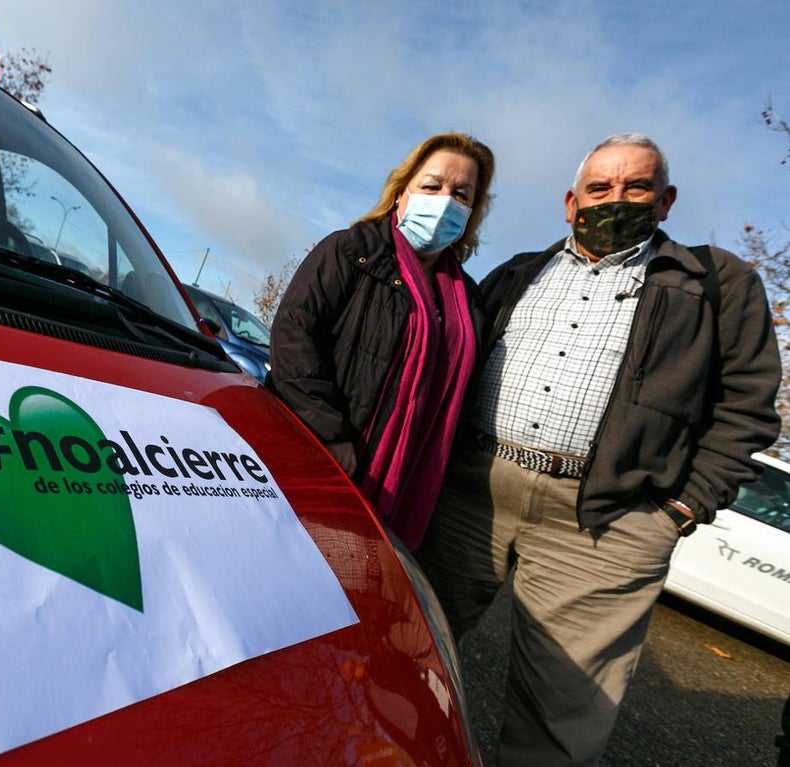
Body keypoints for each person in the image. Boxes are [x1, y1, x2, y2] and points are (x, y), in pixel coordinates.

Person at [416, 133, 782, 766]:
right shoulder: (518, 273)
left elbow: (747, 407)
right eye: (600, 187)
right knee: (408, 649)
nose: (617, 198)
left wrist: (680, 510)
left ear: (665, 200)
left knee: (558, 722)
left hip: (605, 526)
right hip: (469, 496)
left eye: (636, 187)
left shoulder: (716, 282)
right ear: (569, 202)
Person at [267, 132, 494, 551]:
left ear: (471, 214)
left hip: (403, 486)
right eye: (432, 185)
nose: (445, 200)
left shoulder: (469, 302)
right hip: (319, 455)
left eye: (461, 194)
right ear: (401, 193)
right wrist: (331, 436)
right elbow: (294, 337)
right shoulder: (349, 251)